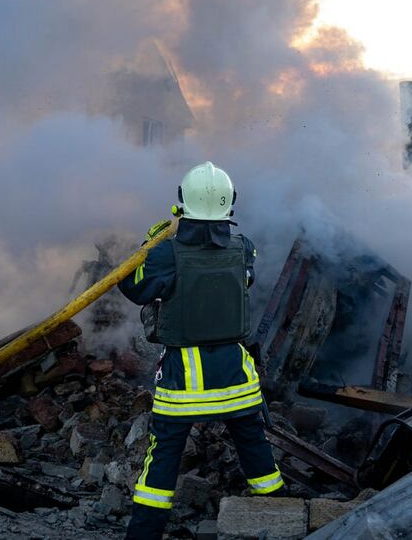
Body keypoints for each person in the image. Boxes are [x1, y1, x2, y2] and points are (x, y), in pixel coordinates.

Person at [118, 161, 283, 540]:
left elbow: (131, 285)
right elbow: (245, 278)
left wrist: (151, 244)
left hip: (185, 384)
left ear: (181, 203)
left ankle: (143, 535)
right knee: (256, 452)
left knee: (161, 466)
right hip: (237, 380)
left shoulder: (166, 256)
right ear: (230, 204)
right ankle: (282, 515)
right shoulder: (246, 249)